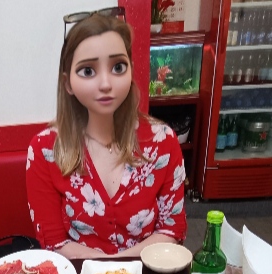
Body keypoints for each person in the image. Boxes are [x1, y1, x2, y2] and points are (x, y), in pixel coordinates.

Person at [26, 10, 187, 259]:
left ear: (131, 71)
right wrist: (110, 271)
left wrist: (117, 267)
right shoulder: (45, 149)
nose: (105, 84)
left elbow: (171, 229)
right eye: (88, 71)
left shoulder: (163, 141)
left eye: (118, 67)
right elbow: (54, 243)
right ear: (68, 83)